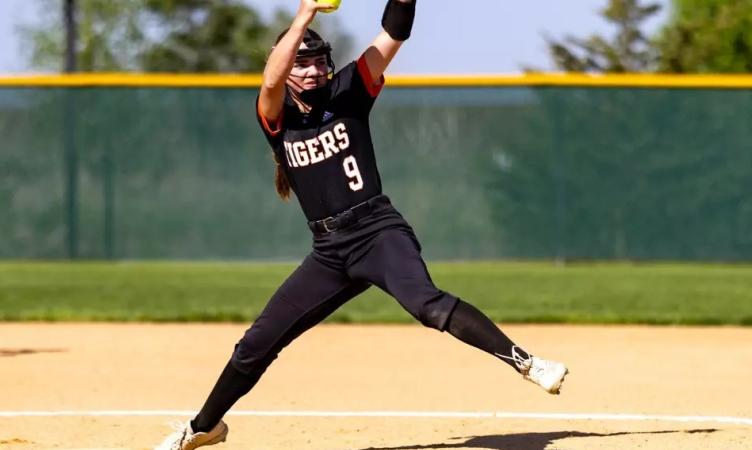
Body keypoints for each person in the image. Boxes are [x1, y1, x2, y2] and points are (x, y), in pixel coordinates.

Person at [155, 1, 568, 448]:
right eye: (301, 63)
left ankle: (526, 362)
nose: (312, 72)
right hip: (329, 251)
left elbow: (393, 33)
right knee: (256, 344)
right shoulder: (277, 116)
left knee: (426, 304)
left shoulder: (348, 90)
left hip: (377, 231)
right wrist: (304, 16)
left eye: (318, 62)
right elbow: (270, 80)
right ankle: (203, 428)